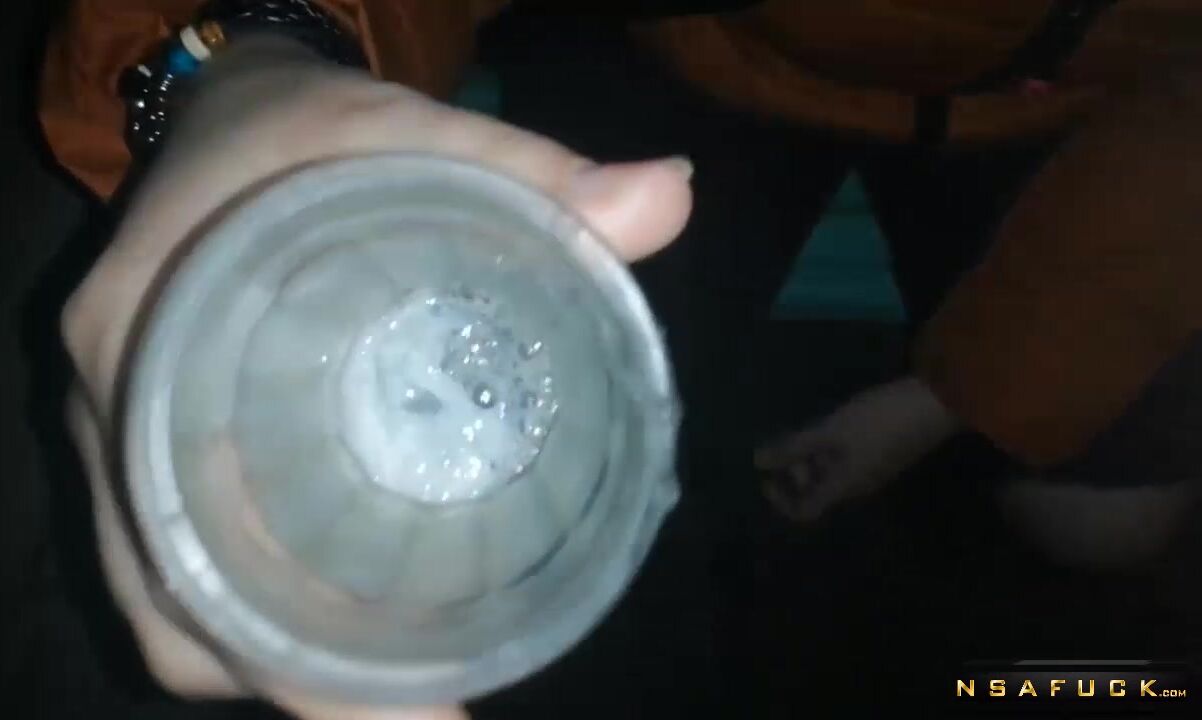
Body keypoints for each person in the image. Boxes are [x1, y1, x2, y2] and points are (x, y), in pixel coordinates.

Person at [35, 0, 1202, 716]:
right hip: (707, 48)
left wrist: (949, 395)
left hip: (1079, 111)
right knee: (591, 549)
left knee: (1105, 525)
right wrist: (244, 54)